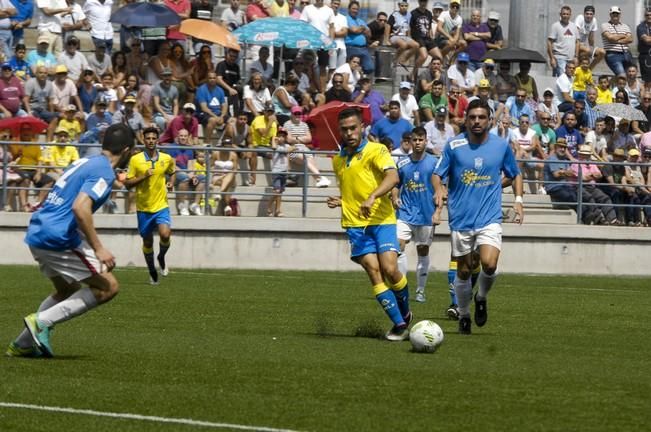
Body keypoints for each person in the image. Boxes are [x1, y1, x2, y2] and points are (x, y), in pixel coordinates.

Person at [7, 123, 135, 358]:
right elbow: (80, 208)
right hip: (58, 237)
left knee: (67, 289)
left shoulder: (85, 161)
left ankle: (22, 344)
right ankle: (41, 322)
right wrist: (99, 248)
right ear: (127, 150)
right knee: (109, 287)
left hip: (37, 230)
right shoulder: (104, 171)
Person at [433, 99, 524, 335]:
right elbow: (437, 174)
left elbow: (514, 174)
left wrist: (518, 200)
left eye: (481, 117)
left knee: (490, 264)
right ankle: (464, 314)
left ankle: (481, 297)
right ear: (465, 119)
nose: (476, 121)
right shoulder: (454, 145)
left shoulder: (500, 146)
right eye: (472, 117)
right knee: (463, 271)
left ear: (489, 120)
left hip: (489, 217)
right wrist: (439, 189)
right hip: (461, 219)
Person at [328, 107, 413, 341]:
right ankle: (399, 325)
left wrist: (373, 196)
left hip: (382, 219)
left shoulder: (377, 150)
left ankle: (405, 313)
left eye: (353, 128)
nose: (349, 133)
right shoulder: (337, 160)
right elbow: (353, 188)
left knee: (390, 269)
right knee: (374, 272)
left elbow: (393, 177)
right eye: (344, 130)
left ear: (362, 127)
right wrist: (342, 201)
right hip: (355, 225)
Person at [391, 126, 438, 303]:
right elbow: (395, 184)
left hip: (426, 214)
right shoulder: (402, 163)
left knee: (422, 250)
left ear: (426, 141)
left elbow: (440, 188)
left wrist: (439, 210)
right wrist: (395, 197)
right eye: (415, 140)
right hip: (405, 213)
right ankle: (402, 288)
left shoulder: (434, 163)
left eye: (421, 139)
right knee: (398, 247)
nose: (417, 143)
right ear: (410, 141)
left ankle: (420, 290)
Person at [124, 126, 175, 285]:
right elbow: (127, 184)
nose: (151, 141)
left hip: (161, 205)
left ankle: (161, 257)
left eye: (154, 138)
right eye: (148, 138)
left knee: (165, 234)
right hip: (143, 208)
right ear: (143, 140)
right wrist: (143, 176)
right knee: (147, 242)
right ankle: (152, 271)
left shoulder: (166, 158)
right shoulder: (135, 159)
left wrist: (170, 183)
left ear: (157, 140)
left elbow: (172, 172)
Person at [267, 127, 293, 217]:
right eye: (280, 136)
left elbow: (289, 154)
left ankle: (278, 210)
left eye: (283, 136)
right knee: (277, 191)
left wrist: (288, 168)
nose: (281, 138)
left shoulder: (287, 146)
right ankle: (269, 206)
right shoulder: (276, 145)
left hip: (284, 171)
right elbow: (274, 147)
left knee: (280, 192)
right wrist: (274, 139)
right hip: (276, 171)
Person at [547, 5, 579, 77]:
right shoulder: (555, 26)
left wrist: (576, 57)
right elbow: (549, 42)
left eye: (567, 14)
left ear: (570, 15)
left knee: (569, 79)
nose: (565, 16)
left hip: (571, 59)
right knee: (562, 77)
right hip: (559, 57)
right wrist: (552, 58)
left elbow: (577, 42)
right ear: (560, 14)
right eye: (564, 14)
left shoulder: (574, 26)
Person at [601, 6, 633, 77]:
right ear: (610, 15)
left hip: (626, 53)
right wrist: (623, 35)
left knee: (630, 75)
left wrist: (616, 39)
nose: (615, 15)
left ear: (620, 15)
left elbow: (630, 39)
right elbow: (610, 38)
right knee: (622, 75)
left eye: (617, 13)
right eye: (613, 13)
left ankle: (611, 86)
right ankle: (607, 86)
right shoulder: (605, 25)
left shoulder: (625, 26)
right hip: (613, 54)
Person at [637, 8, 651, 88]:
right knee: (648, 80)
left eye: (650, 15)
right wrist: (647, 39)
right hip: (646, 56)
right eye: (647, 15)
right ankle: (647, 97)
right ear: (644, 16)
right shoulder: (641, 27)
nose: (649, 17)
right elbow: (646, 40)